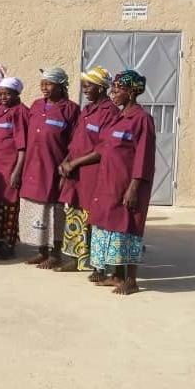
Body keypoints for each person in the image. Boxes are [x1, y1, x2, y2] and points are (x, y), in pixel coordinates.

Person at [62, 70, 154, 295]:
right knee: (111, 227)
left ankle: (131, 280)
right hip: (109, 182)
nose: (113, 92)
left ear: (131, 92)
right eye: (113, 88)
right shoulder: (118, 118)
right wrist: (73, 162)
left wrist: (134, 187)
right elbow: (102, 148)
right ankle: (116, 275)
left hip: (127, 184)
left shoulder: (141, 119)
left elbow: (144, 157)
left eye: (118, 89)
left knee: (128, 228)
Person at [56, 66, 117, 272]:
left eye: (88, 86)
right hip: (75, 174)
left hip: (92, 174)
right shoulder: (87, 110)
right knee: (74, 214)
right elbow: (75, 141)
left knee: (91, 215)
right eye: (84, 85)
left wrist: (74, 163)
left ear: (101, 88)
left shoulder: (110, 113)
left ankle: (93, 261)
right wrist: (66, 161)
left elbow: (103, 149)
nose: (84, 89)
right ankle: (75, 258)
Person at [19, 68, 80, 269]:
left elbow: (75, 142)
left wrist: (67, 165)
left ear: (61, 86)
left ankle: (55, 254)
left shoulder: (71, 109)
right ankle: (42, 251)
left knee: (55, 211)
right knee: (38, 210)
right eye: (42, 83)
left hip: (54, 168)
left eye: (48, 84)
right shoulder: (36, 105)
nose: (44, 87)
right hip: (33, 166)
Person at [0, 77, 29, 258]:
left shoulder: (20, 112)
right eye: (0, 94)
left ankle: (9, 244)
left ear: (16, 94)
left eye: (7, 94)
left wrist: (17, 172)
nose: (3, 97)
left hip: (9, 167)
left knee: (9, 207)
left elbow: (22, 147)